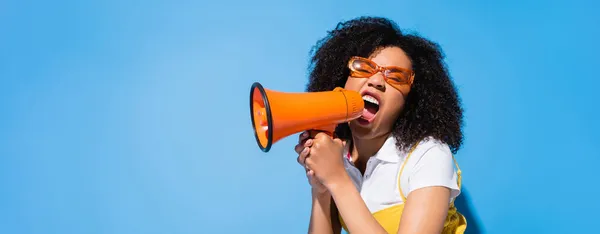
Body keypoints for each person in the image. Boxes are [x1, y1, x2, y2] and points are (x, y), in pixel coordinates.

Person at [294, 16, 467, 234]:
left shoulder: (429, 154)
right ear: (342, 80)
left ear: (410, 102)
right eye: (363, 67)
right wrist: (320, 189)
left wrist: (337, 179)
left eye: (395, 77)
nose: (376, 80)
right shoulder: (338, 153)